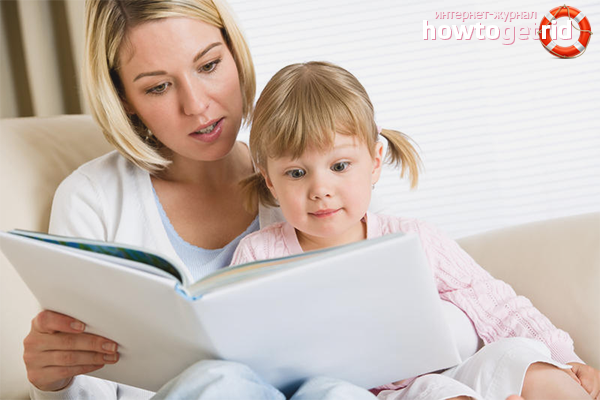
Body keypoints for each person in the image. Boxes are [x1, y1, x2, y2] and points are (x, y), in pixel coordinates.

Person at [22, 1, 379, 399]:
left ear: (235, 55)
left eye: (209, 65)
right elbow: (87, 382)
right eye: (158, 87)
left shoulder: (313, 184)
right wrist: (55, 382)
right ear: (124, 100)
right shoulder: (93, 200)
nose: (196, 105)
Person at [220, 61, 599, 400]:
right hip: (363, 393)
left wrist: (564, 357)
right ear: (269, 180)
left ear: (374, 162)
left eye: (339, 166)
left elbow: (493, 302)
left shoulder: (412, 238)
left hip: (447, 374)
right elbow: (243, 349)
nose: (320, 189)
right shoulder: (259, 255)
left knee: (522, 360)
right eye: (296, 173)